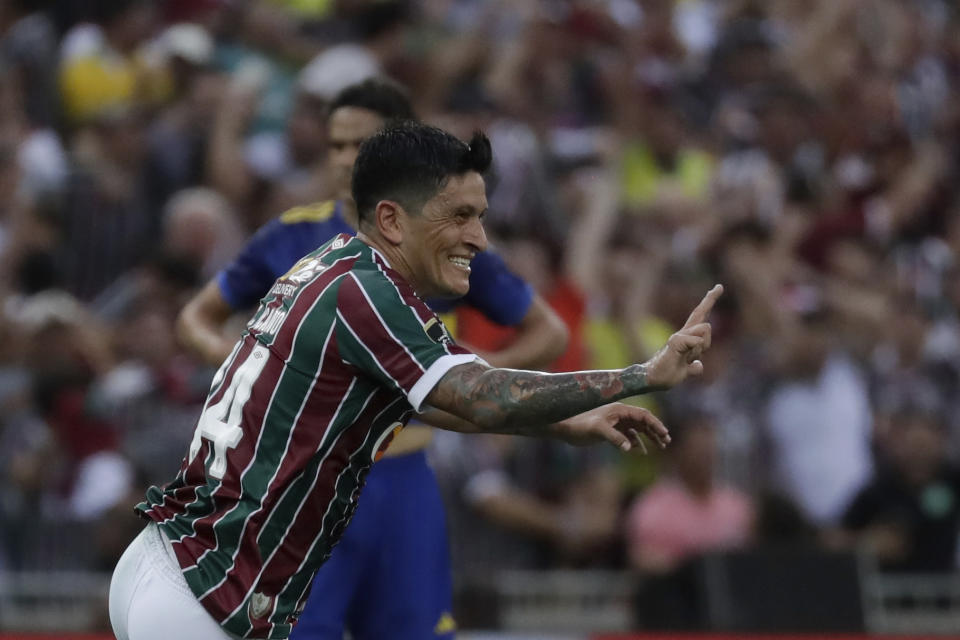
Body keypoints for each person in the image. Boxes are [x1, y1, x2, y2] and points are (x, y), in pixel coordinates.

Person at [109, 120, 722, 640]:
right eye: (459, 216)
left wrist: (571, 423)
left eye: (480, 216)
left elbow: (433, 400)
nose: (479, 238)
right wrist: (642, 374)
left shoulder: (336, 270)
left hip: (171, 565)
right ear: (392, 220)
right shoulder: (369, 295)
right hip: (208, 599)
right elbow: (481, 399)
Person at [176, 78, 569, 639]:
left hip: (404, 480)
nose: (344, 159)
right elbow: (195, 317)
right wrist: (242, 360)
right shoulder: (293, 236)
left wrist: (475, 369)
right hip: (309, 479)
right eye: (335, 144)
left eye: (360, 143)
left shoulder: (440, 238)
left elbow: (548, 333)